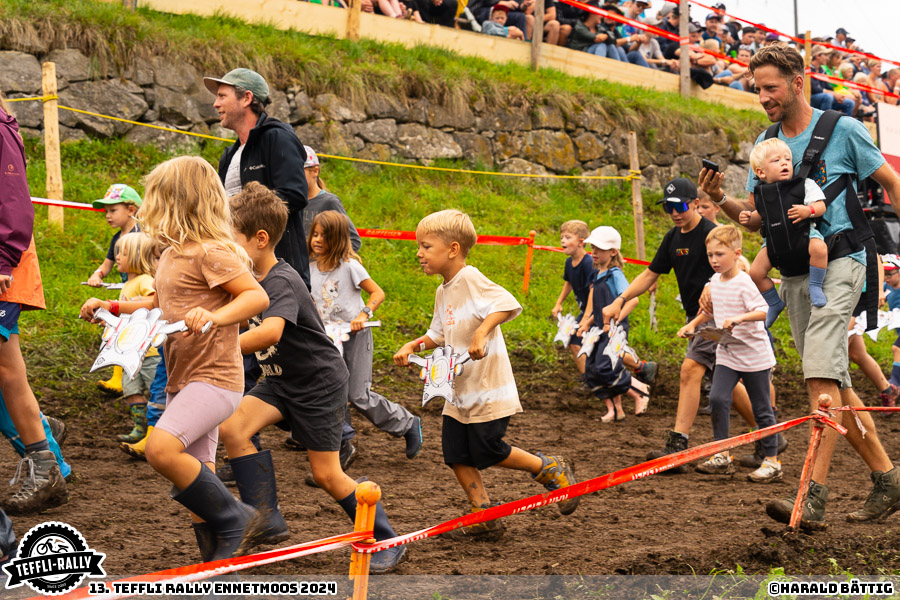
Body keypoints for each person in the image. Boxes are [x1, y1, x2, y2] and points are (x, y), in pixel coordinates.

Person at [700, 44, 900, 528]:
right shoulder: (765, 144)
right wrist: (718, 197)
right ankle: (889, 480)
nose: (764, 97)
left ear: (798, 80)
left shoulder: (844, 130)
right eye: (757, 89)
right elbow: (754, 223)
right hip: (794, 273)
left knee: (818, 378)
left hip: (844, 261)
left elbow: (893, 184)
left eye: (771, 87)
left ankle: (811, 497)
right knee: (835, 380)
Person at [79, 156, 271, 560]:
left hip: (216, 378)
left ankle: (238, 517)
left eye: (154, 198)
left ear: (178, 202)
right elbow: (158, 302)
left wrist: (215, 316)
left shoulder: (212, 252)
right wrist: (112, 307)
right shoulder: (170, 254)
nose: (147, 208)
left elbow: (256, 296)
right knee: (199, 469)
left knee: (161, 449)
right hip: (183, 378)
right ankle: (218, 558)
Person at [218, 182, 407, 573]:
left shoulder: (280, 280)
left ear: (259, 239)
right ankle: (264, 517)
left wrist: (219, 348)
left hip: (318, 384)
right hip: (280, 380)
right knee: (233, 428)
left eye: (229, 237)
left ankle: (388, 539)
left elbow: (270, 333)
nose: (223, 245)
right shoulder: (244, 279)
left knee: (326, 474)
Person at [393, 209, 580, 539]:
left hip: (488, 387)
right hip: (460, 389)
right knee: (455, 454)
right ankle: (485, 516)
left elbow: (506, 303)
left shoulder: (471, 278)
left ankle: (547, 467)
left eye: (425, 246)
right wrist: (413, 345)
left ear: (452, 249)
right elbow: (438, 334)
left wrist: (482, 333)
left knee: (486, 449)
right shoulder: (443, 291)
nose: (418, 253)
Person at [601, 178, 764, 473]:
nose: (674, 213)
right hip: (696, 317)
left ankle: (678, 446)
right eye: (668, 208)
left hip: (717, 317)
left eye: (679, 206)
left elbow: (741, 265)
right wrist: (620, 299)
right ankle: (768, 434)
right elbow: (650, 275)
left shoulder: (711, 233)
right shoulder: (672, 238)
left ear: (694, 203)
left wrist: (714, 287)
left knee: (690, 370)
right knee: (725, 379)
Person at [0, 91, 69, 515]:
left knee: (8, 369)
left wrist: (4, 258)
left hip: (2, 268)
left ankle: (45, 463)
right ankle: (46, 443)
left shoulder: (0, 131)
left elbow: (13, 199)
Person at [308, 210, 423, 461]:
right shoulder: (309, 269)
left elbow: (377, 293)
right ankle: (338, 445)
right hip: (327, 340)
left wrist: (363, 314)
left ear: (337, 239)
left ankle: (407, 423)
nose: (317, 240)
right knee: (329, 391)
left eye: (324, 236)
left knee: (357, 395)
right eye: (314, 234)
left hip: (355, 336)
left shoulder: (350, 267)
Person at [678, 225, 782, 483]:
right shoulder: (714, 281)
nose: (714, 260)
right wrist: (694, 324)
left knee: (762, 409)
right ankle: (722, 453)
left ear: (736, 254)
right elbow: (712, 310)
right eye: (710, 255)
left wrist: (739, 318)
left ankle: (772, 461)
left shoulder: (744, 282)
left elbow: (763, 310)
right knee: (718, 398)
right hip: (727, 352)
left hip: (754, 355)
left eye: (720, 254)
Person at [204, 68, 310, 286]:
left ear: (247, 98)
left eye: (222, 96)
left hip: (279, 275)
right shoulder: (230, 155)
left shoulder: (278, 137)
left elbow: (295, 195)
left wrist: (245, 212)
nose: (215, 104)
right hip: (238, 274)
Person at [739, 137, 829, 326]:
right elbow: (760, 216)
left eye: (787, 159)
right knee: (755, 272)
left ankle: (815, 286)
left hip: (804, 234)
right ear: (760, 172)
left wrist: (808, 211)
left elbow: (821, 206)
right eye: (776, 161)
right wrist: (750, 218)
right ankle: (774, 302)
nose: (784, 163)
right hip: (774, 241)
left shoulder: (803, 184)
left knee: (820, 249)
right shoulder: (761, 192)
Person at [575, 226, 653, 420]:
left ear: (613, 252)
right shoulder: (597, 274)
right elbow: (602, 307)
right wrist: (588, 322)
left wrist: (615, 320)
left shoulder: (615, 274)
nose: (594, 253)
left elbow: (632, 300)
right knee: (592, 370)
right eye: (592, 248)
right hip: (599, 328)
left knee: (605, 367)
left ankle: (639, 389)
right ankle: (615, 409)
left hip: (613, 331)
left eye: (599, 249)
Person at [86, 183, 143, 395]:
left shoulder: (142, 234)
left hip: (142, 293)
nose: (108, 216)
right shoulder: (116, 238)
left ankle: (131, 378)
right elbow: (107, 264)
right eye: (106, 212)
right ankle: (119, 379)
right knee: (120, 332)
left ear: (131, 210)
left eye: (113, 210)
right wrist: (97, 274)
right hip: (126, 293)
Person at [108, 232, 161, 444]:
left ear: (139, 256)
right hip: (132, 353)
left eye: (123, 252)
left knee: (154, 390)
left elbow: (152, 302)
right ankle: (141, 427)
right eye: (117, 251)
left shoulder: (145, 281)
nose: (117, 256)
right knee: (131, 391)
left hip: (150, 352)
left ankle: (157, 432)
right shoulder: (126, 286)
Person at [551, 220, 593, 378]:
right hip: (587, 312)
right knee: (575, 344)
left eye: (568, 237)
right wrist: (558, 303)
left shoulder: (589, 263)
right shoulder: (569, 262)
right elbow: (568, 282)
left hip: (598, 311)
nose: (563, 241)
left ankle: (642, 366)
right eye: (562, 237)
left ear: (581, 242)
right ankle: (588, 379)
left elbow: (594, 292)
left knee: (605, 348)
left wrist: (587, 317)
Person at [301, 147, 362, 253]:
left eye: (299, 172)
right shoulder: (291, 203)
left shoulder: (329, 202)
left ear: (315, 171)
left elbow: (354, 241)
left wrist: (327, 264)